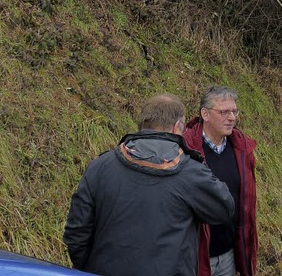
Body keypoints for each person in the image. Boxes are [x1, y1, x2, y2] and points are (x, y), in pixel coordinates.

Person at [63, 93, 235, 276]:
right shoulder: (190, 172)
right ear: (178, 127)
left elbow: (76, 234)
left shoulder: (100, 166)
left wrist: (90, 269)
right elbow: (224, 208)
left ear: (142, 124)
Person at [184, 85, 258, 276]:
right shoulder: (186, 149)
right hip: (193, 257)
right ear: (205, 114)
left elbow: (247, 206)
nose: (232, 117)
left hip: (228, 256)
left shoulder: (242, 150)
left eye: (234, 111)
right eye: (224, 112)